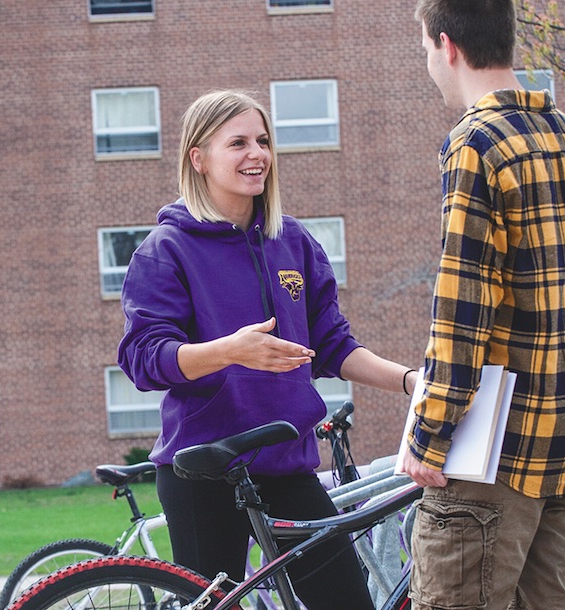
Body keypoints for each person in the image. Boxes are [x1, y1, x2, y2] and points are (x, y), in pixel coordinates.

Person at [400, 1, 565, 609]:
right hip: (564, 449)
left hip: (487, 455)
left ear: (447, 45)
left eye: (424, 50)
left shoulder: (474, 145)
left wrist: (428, 434)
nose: (428, 63)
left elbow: (462, 310)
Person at [117, 89, 416, 609]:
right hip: (201, 470)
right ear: (199, 158)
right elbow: (145, 358)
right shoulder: (165, 250)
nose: (256, 154)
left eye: (262, 140)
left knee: (347, 601)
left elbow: (333, 347)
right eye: (237, 143)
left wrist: (412, 381)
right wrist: (229, 350)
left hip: (286, 465)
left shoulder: (294, 243)